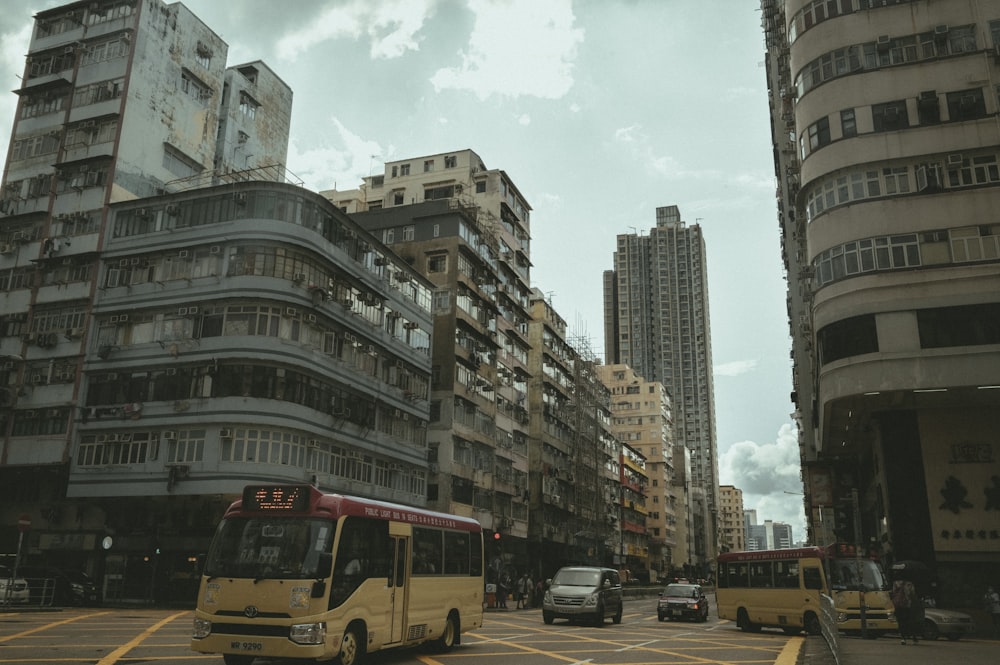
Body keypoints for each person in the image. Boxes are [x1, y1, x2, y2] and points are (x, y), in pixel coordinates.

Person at [892, 579, 920, 645]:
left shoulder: (896, 583)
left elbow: (893, 593)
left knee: (901, 622)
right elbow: (912, 594)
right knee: (910, 621)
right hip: (908, 606)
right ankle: (913, 637)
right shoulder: (909, 584)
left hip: (898, 605)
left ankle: (903, 638)